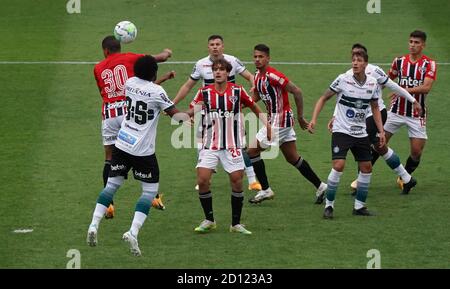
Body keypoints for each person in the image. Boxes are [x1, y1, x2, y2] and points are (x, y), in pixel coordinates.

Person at [87, 55, 182, 256]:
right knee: (149, 192)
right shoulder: (157, 92)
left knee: (111, 186)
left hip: (122, 144)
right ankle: (133, 231)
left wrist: (162, 80)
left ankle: (94, 225)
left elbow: (145, 90)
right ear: (153, 72)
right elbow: (177, 116)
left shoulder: (130, 83)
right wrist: (195, 113)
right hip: (143, 151)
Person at [186, 58, 268, 235]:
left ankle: (235, 224)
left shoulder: (237, 91)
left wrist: (267, 125)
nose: (218, 72)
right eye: (215, 69)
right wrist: (184, 116)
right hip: (210, 144)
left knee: (237, 182)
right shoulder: (204, 92)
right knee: (202, 180)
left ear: (228, 73)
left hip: (233, 144)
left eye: (222, 69)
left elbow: (254, 107)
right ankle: (209, 220)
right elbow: (193, 109)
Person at [93, 36, 173, 216]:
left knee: (110, 157)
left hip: (109, 113)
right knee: (141, 149)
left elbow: (102, 93)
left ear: (105, 50)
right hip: (128, 111)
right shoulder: (130, 57)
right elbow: (155, 59)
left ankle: (109, 205)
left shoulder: (97, 68)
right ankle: (152, 195)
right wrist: (167, 53)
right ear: (120, 46)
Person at [173, 35, 261, 192]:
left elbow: (250, 77)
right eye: (212, 44)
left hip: (231, 111)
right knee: (203, 144)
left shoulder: (232, 61)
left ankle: (252, 179)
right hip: (208, 112)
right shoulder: (201, 64)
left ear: (223, 46)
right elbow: (188, 86)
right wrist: (173, 104)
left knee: (239, 145)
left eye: (218, 44)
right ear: (208, 47)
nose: (215, 47)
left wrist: (253, 89)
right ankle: (205, 179)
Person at [333, 43, 421, 194]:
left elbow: (394, 86)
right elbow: (342, 99)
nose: (355, 60)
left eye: (359, 56)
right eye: (353, 56)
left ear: (365, 58)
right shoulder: (348, 75)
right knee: (380, 148)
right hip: (362, 117)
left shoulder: (374, 71)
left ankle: (360, 183)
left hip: (377, 113)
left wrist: (413, 101)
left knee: (362, 146)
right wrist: (334, 116)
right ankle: (407, 179)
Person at [308, 50, 385, 219]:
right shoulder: (343, 79)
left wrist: (380, 131)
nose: (355, 63)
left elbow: (375, 107)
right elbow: (323, 98)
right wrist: (314, 119)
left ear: (366, 63)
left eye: (359, 60)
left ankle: (359, 207)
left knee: (367, 167)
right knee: (338, 165)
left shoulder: (372, 83)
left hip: (360, 132)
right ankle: (329, 206)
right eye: (353, 60)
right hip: (342, 131)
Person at [247, 44, 327, 205]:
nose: (257, 59)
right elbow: (255, 98)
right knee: (292, 158)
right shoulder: (257, 76)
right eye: (255, 56)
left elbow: (296, 91)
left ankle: (265, 190)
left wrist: (300, 117)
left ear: (268, 58)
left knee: (252, 150)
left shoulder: (273, 75)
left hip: (280, 119)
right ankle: (321, 187)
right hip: (274, 119)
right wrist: (236, 105)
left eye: (261, 56)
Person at [384, 30, 437, 189]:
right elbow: (386, 80)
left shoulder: (429, 64)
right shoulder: (399, 61)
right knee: (378, 143)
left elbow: (426, 87)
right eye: (411, 42)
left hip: (416, 114)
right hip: (395, 111)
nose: (413, 45)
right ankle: (360, 179)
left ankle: (404, 177)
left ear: (423, 45)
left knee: (416, 152)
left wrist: (402, 90)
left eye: (416, 43)